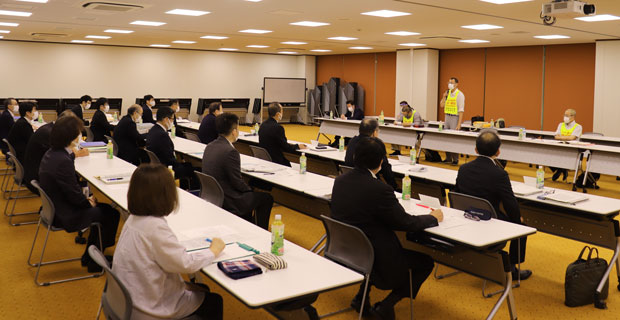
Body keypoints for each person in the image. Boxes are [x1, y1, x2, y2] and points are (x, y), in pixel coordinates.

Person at [331, 136, 443, 320]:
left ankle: (361, 297)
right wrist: (431, 218)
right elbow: (406, 223)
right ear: (382, 161)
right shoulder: (380, 189)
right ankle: (387, 305)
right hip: (376, 259)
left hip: (346, 251)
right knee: (425, 262)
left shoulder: (340, 180)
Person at [113, 164, 224, 320]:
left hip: (128, 300)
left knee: (201, 289)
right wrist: (213, 250)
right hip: (149, 309)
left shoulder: (133, 218)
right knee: (214, 301)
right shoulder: (154, 227)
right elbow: (186, 264)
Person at [38, 116, 120, 272]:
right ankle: (94, 262)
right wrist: (87, 202)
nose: (80, 136)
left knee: (104, 211)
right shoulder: (62, 160)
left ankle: (91, 256)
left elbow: (70, 189)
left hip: (56, 208)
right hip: (65, 214)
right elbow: (73, 194)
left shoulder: (53, 153)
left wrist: (86, 200)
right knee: (110, 214)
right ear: (70, 137)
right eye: (78, 134)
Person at [455, 130, 531, 280]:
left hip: (466, 218)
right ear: (498, 152)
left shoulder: (463, 169)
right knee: (522, 227)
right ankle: (513, 268)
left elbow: (456, 193)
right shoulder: (499, 174)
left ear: (475, 150)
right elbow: (510, 203)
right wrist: (518, 221)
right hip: (488, 221)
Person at [202, 113, 274, 229]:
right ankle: (262, 231)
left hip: (213, 194)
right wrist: (250, 190)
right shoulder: (231, 151)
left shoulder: (210, 146)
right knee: (266, 198)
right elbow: (237, 182)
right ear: (234, 131)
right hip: (229, 199)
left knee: (251, 191)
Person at [23, 110, 88, 194]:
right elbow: (60, 158)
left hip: (37, 172)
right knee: (74, 177)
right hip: (37, 177)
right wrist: (76, 154)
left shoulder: (50, 128)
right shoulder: (50, 134)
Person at [146, 107, 196, 189]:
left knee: (188, 165)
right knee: (193, 170)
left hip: (158, 165)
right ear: (166, 119)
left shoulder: (153, 130)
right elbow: (170, 159)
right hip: (166, 168)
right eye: (172, 119)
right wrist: (180, 165)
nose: (173, 122)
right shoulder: (162, 135)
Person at [345, 118, 398, 190]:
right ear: (374, 132)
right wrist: (394, 186)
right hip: (369, 183)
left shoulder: (352, 141)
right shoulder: (375, 145)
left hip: (351, 180)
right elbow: (385, 167)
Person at [258, 102, 306, 166]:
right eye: (282, 111)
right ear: (278, 114)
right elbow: (286, 147)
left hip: (265, 160)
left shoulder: (262, 125)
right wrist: (297, 146)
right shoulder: (278, 128)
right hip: (275, 161)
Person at [551, 108, 583, 181]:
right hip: (560, 148)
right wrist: (566, 137)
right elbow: (556, 136)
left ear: (573, 117)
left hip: (572, 150)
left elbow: (572, 138)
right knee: (547, 154)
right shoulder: (560, 124)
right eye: (564, 115)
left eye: (567, 115)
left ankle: (561, 169)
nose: (565, 117)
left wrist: (561, 137)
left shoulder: (578, 126)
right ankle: (561, 169)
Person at [439, 77, 465, 165]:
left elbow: (461, 110)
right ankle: (448, 158)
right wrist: (443, 96)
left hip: (455, 117)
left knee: (453, 139)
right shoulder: (447, 93)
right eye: (449, 82)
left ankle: (455, 159)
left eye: (452, 82)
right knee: (446, 138)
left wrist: (459, 123)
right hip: (447, 117)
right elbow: (442, 105)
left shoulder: (460, 94)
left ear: (456, 84)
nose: (450, 84)